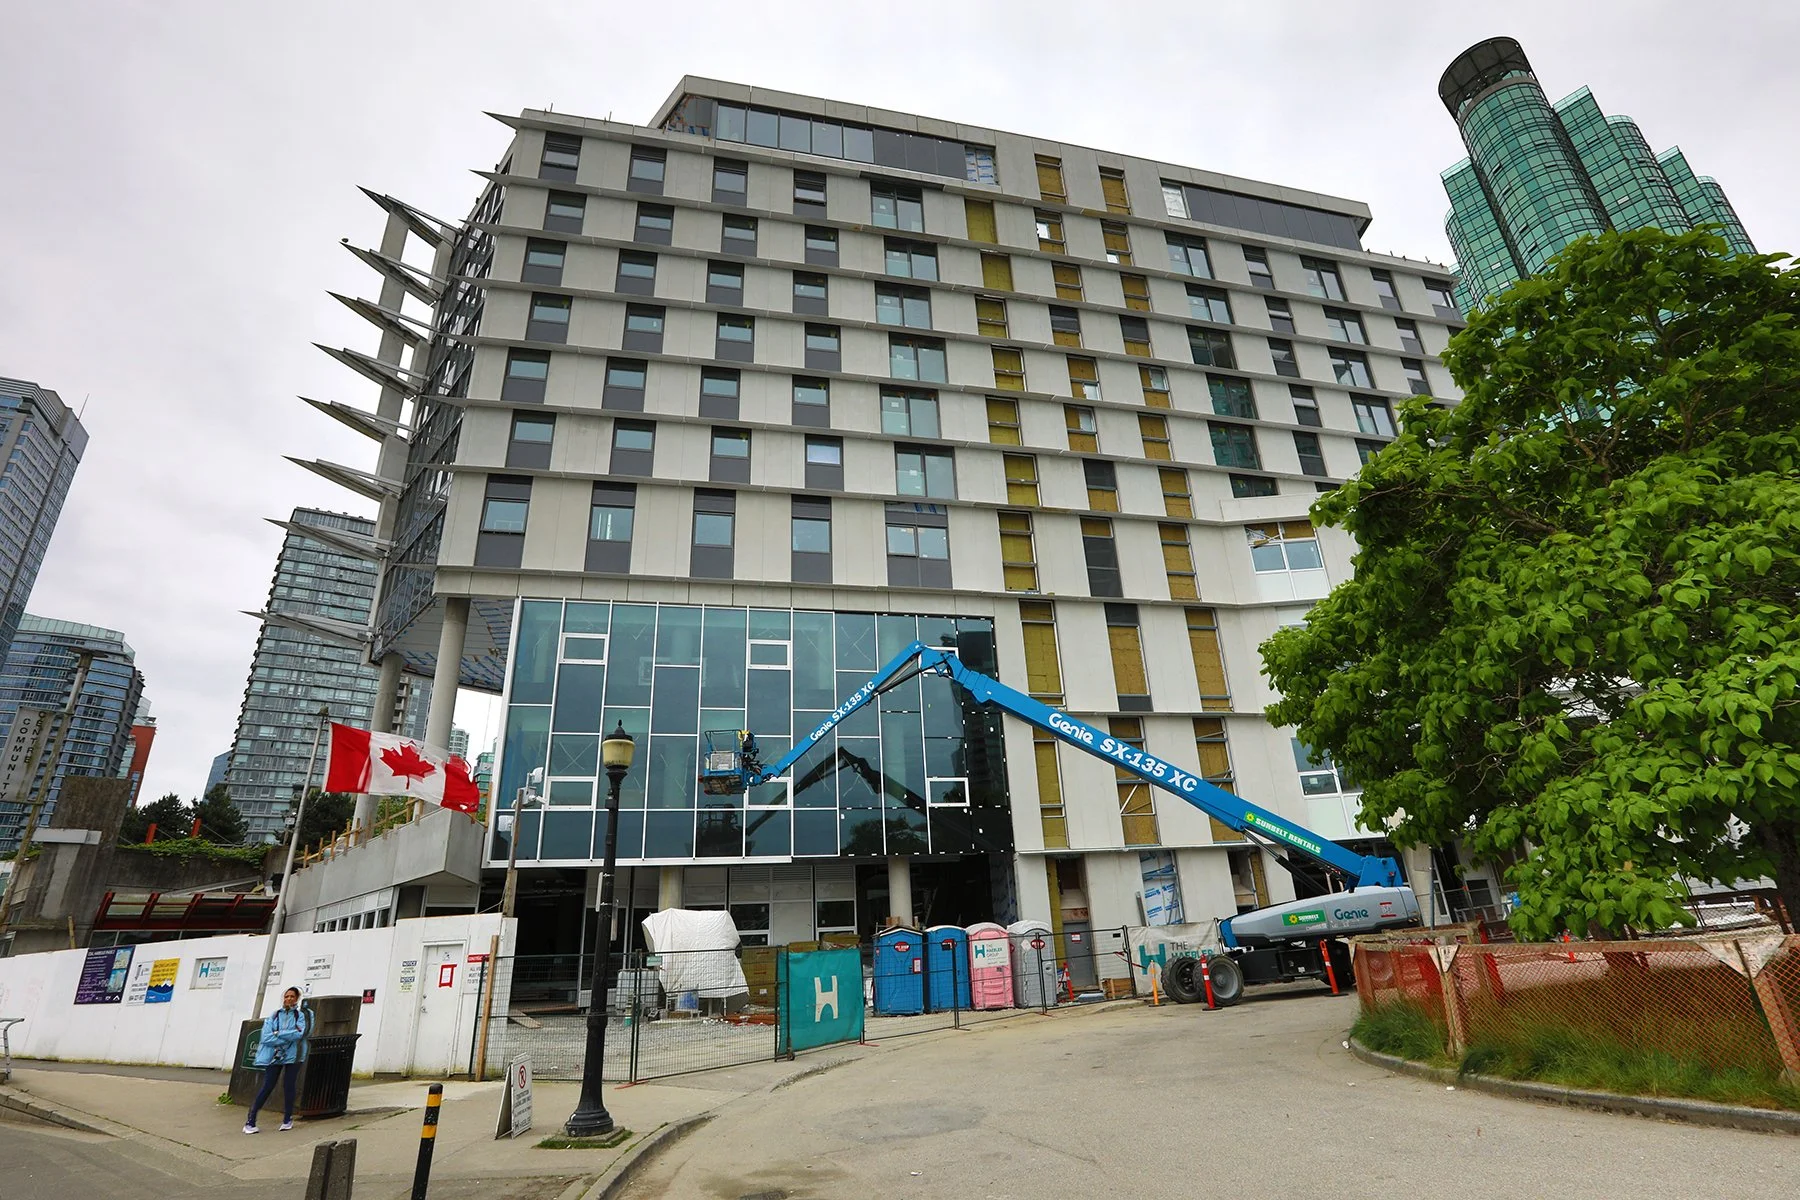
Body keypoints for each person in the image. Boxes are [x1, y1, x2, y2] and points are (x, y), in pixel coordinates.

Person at [245, 987, 311, 1133]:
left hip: (292, 1056)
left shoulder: (298, 1016)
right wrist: (285, 1037)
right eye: (286, 996)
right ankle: (250, 1121)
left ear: (297, 998)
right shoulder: (274, 1015)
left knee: (289, 1086)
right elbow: (266, 1037)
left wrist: (278, 1033)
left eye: (292, 996)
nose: (289, 999)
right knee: (267, 1086)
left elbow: (298, 1034)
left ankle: (287, 1119)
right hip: (274, 1056)